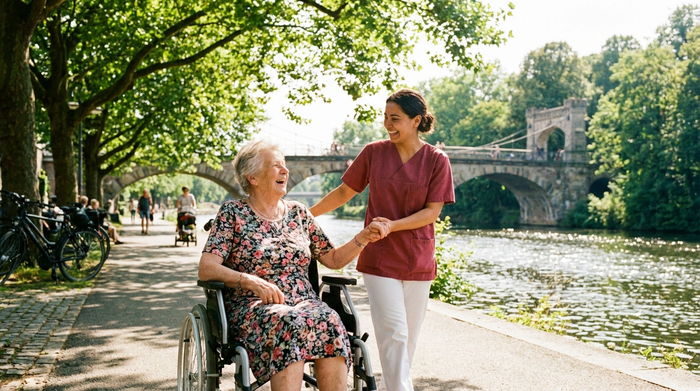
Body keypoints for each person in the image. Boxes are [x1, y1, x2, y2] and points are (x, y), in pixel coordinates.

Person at [198, 139, 382, 391]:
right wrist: (250, 280)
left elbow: (334, 259)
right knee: (287, 322)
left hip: (304, 302)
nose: (285, 171)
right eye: (276, 166)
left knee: (329, 319)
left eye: (284, 165)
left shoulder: (299, 213)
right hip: (253, 305)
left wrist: (363, 237)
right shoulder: (232, 213)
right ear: (252, 176)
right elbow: (207, 268)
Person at [309, 88, 455, 391]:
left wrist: (393, 225)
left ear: (416, 121)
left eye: (395, 119)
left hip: (418, 259)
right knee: (394, 334)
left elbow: (432, 212)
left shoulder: (437, 160)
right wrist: (305, 215)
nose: (388, 124)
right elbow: (344, 192)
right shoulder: (374, 152)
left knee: (407, 342)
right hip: (379, 258)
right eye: (386, 118)